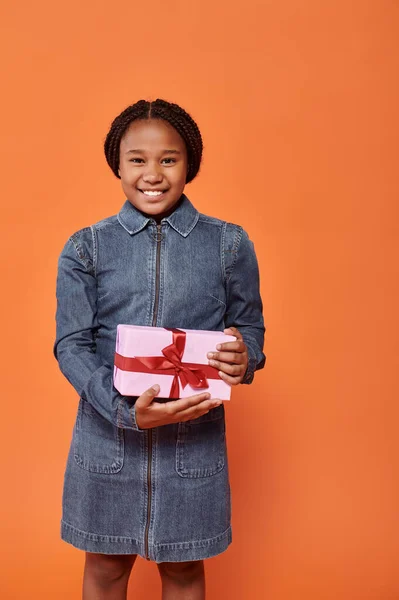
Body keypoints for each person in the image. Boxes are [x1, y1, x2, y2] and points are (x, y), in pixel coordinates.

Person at [54, 98, 265, 600]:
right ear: (117, 164)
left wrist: (245, 355)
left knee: (185, 572)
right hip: (107, 443)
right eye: (138, 159)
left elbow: (250, 329)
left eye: (169, 159)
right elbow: (71, 344)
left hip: (192, 444)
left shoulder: (229, 245)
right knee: (105, 569)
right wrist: (124, 412)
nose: (153, 173)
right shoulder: (86, 247)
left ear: (189, 164)